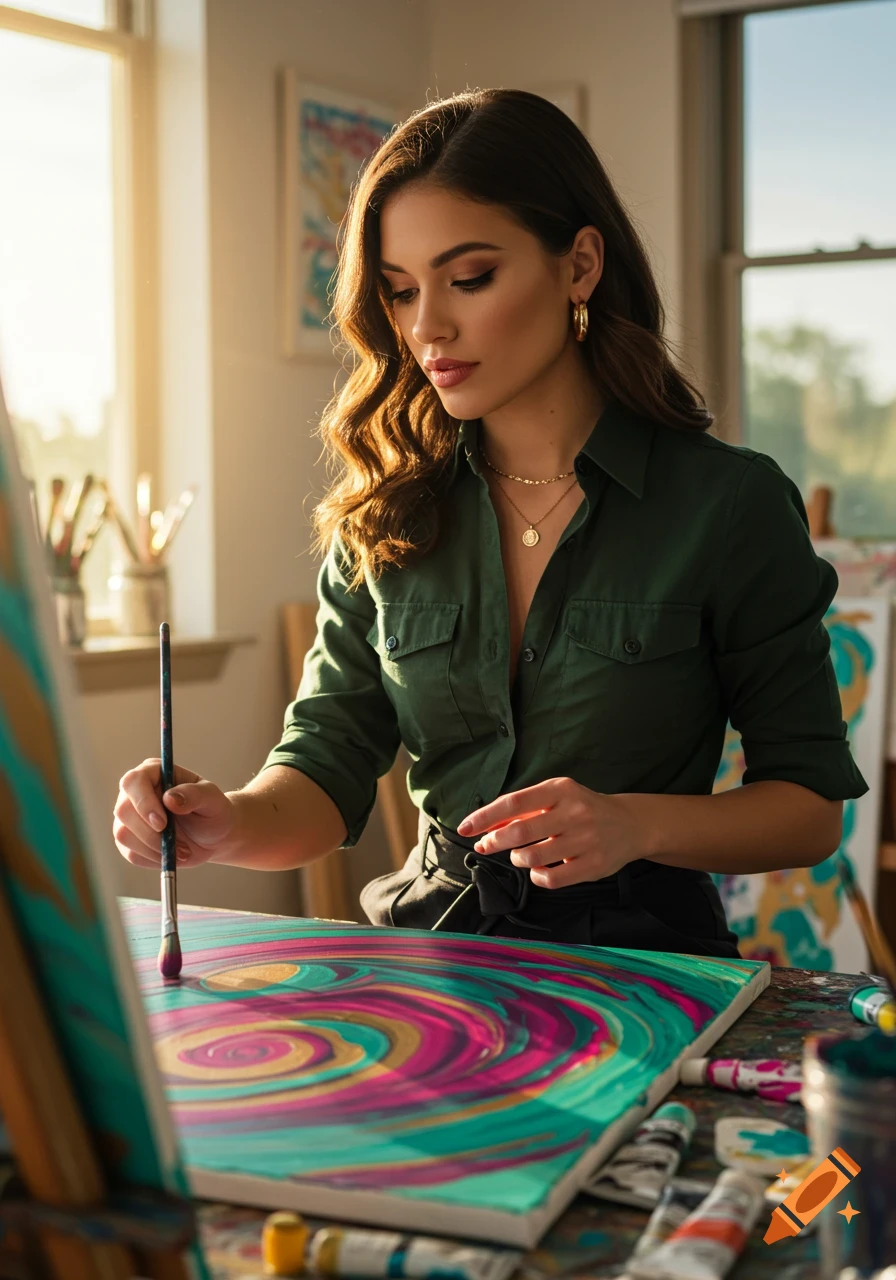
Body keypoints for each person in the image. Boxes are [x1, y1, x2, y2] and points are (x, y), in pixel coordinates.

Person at [113, 88, 867, 958]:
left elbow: (808, 810)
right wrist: (223, 824)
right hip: (431, 957)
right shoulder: (388, 514)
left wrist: (632, 824)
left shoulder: (728, 507)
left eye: (469, 278)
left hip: (644, 968)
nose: (428, 326)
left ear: (580, 265)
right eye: (399, 292)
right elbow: (323, 771)